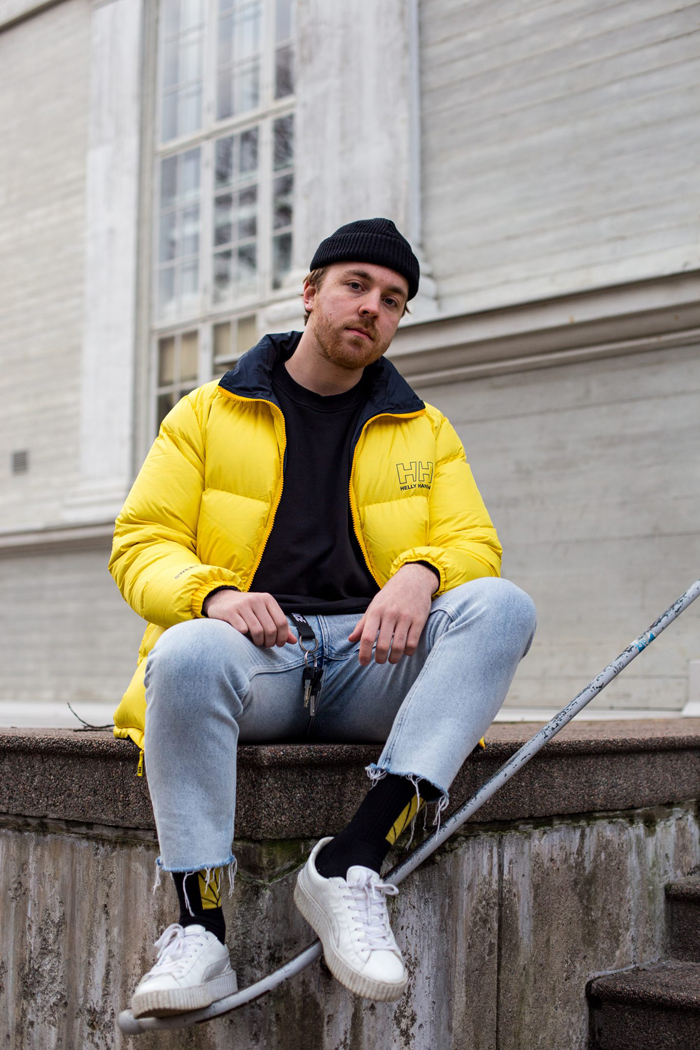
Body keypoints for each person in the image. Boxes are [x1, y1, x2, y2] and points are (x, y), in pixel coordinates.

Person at [109, 217, 537, 1017]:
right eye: (356, 285)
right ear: (310, 293)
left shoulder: (424, 429)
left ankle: (350, 861)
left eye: (393, 299)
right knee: (188, 651)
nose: (373, 306)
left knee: (502, 605)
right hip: (258, 663)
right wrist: (215, 596)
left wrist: (421, 574)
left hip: (373, 662)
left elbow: (473, 542)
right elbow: (141, 543)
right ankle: (200, 932)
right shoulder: (205, 414)